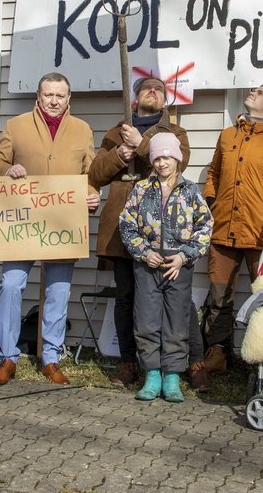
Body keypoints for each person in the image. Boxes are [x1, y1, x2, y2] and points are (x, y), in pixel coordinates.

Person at [88, 76, 207, 391]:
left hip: (165, 233)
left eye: (158, 90)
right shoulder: (116, 132)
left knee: (177, 301)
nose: (152, 92)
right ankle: (129, 363)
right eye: (145, 89)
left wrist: (141, 144)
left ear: (165, 101)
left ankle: (192, 363)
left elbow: (180, 160)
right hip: (123, 227)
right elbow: (96, 174)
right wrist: (120, 153)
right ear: (135, 99)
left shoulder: (173, 132)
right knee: (126, 297)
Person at [0, 72, 100, 386]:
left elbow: (90, 172)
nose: (54, 101)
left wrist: (93, 193)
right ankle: (7, 357)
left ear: (69, 99)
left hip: (61, 225)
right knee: (11, 285)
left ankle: (51, 357)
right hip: (22, 223)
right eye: (48, 95)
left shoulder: (82, 130)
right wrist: (9, 169)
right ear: (38, 97)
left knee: (58, 292)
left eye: (60, 96)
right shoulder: (16, 125)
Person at [199, 85, 263, 375]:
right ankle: (218, 353)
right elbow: (213, 173)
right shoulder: (228, 134)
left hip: (261, 233)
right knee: (218, 296)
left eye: (260, 92)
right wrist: (212, 202)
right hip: (223, 227)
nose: (253, 91)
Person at [118, 132, 212, 403]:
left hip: (177, 265)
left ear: (177, 158)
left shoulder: (191, 191)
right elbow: (127, 225)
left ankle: (172, 376)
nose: (162, 163)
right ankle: (152, 374)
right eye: (157, 158)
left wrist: (185, 256)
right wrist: (143, 252)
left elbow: (204, 227)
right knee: (146, 320)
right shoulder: (141, 190)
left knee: (177, 321)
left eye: (167, 157)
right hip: (148, 265)